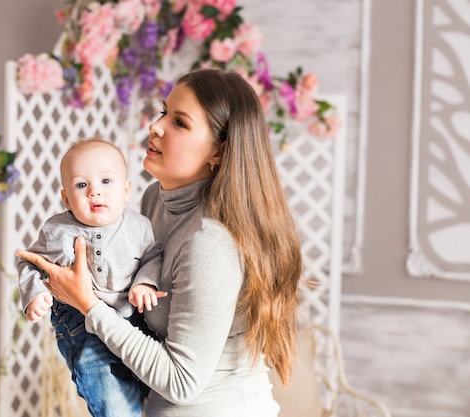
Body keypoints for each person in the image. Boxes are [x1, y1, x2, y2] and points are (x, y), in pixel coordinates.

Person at [16, 68, 303, 417]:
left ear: (218, 152)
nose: (156, 126)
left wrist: (89, 306)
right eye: (164, 111)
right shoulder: (155, 201)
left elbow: (182, 382)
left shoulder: (209, 244)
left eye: (180, 122)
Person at [16, 138, 166, 417]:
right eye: (81, 185)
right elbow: (30, 262)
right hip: (80, 326)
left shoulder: (139, 226)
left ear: (126, 191)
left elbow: (153, 257)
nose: (94, 192)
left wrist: (145, 283)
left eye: (106, 182)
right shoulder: (57, 229)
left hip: (132, 319)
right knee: (113, 402)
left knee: (153, 393)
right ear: (66, 199)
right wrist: (35, 294)